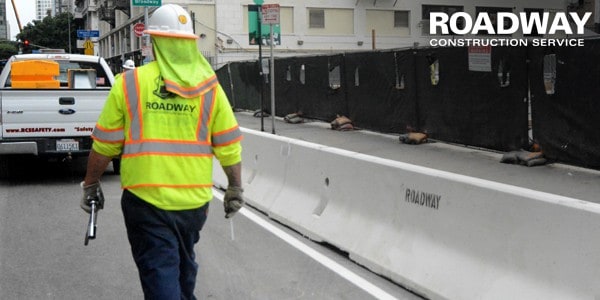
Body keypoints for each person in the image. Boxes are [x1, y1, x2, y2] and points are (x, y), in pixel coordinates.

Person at [79, 4, 244, 299]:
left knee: (160, 270)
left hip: (146, 202)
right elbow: (229, 146)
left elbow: (104, 145)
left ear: (154, 40)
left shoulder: (129, 83)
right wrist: (235, 188)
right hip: (194, 204)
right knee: (183, 265)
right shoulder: (210, 87)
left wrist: (91, 184)